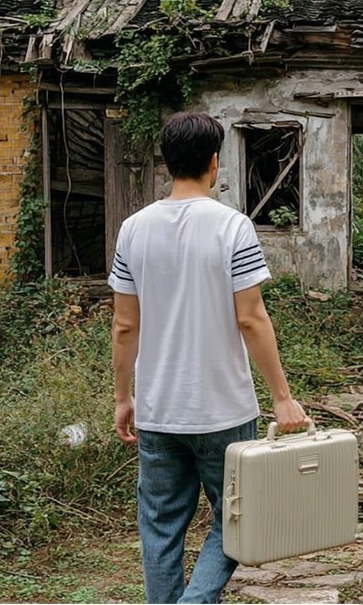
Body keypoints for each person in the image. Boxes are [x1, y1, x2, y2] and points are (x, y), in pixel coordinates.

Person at [109, 111, 309, 604]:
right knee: (238, 519)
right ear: (214, 162)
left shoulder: (133, 230)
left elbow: (124, 325)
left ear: (167, 161)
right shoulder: (232, 227)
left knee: (159, 528)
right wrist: (281, 397)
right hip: (224, 409)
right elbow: (252, 318)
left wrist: (122, 396)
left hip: (158, 410)